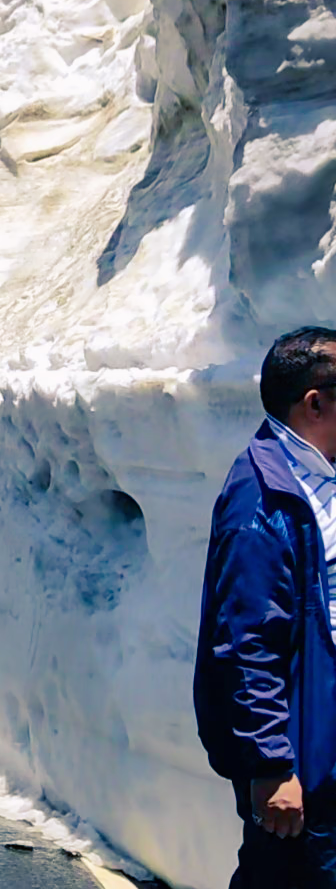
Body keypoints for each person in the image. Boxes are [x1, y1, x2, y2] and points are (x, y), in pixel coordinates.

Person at [197, 327, 336, 886]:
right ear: (315, 402)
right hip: (304, 760)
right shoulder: (262, 501)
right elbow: (247, 643)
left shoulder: (316, 480)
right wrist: (273, 766)